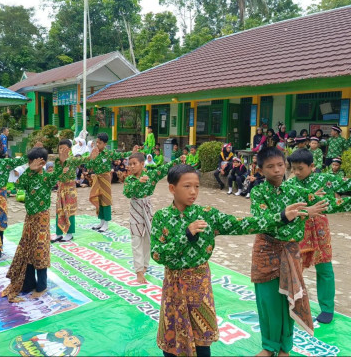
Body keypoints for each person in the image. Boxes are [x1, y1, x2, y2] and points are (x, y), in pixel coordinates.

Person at [151, 164, 310, 357]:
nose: (193, 192)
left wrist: (282, 217)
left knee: (202, 341)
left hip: (199, 286)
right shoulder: (162, 217)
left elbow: (242, 224)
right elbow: (157, 254)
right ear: (172, 188)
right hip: (174, 287)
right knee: (173, 337)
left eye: (197, 186)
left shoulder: (207, 214)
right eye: (187, 186)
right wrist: (186, 235)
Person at [249, 147, 349, 357]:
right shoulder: (262, 191)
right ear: (260, 170)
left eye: (280, 165)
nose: (278, 170)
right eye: (270, 166)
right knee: (268, 299)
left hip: (298, 244)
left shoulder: (297, 189)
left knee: (292, 294)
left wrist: (312, 207)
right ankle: (269, 346)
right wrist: (303, 212)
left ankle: (286, 345)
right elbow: (261, 220)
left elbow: (327, 203)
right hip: (269, 250)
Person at [287, 149, 351, 324]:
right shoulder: (290, 184)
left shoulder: (325, 180)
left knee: (324, 268)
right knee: (294, 267)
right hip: (298, 229)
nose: (297, 172)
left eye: (300, 168)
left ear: (312, 166)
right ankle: (293, 303)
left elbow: (348, 185)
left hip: (320, 229)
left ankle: (327, 308)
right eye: (294, 169)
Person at [1, 146, 64, 302]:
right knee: (27, 250)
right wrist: (29, 170)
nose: (30, 165)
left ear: (41, 163)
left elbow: (60, 174)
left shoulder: (47, 178)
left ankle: (41, 287)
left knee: (40, 252)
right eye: (29, 162)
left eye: (33, 162)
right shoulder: (28, 177)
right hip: (30, 219)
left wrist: (62, 162)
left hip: (42, 219)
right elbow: (18, 185)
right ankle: (28, 284)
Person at [123, 152, 185, 284]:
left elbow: (164, 168)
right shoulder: (129, 179)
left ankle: (145, 265)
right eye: (130, 164)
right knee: (136, 239)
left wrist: (179, 159)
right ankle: (139, 271)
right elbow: (127, 193)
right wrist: (138, 183)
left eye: (134, 164)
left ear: (142, 164)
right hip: (135, 208)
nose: (132, 167)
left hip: (148, 207)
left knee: (149, 238)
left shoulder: (151, 175)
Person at [75, 132, 137, 233]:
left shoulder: (109, 154)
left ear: (105, 144)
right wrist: (92, 158)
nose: (97, 145)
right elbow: (89, 166)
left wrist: (132, 152)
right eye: (97, 142)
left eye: (99, 143)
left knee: (106, 199)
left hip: (106, 178)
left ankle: (106, 223)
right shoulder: (94, 152)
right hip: (96, 178)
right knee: (98, 199)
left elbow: (121, 155)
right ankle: (101, 221)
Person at [52, 139, 80, 243]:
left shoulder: (72, 160)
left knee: (69, 210)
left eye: (64, 149)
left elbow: (83, 160)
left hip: (70, 189)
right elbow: (55, 174)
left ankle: (69, 234)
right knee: (59, 210)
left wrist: (90, 157)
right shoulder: (57, 161)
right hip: (61, 188)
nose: (62, 151)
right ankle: (59, 233)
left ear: (69, 150)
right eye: (60, 148)